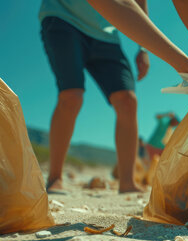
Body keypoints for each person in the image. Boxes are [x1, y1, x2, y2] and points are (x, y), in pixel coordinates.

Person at [40, 0, 150, 193]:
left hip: (106, 33)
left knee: (128, 100)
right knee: (71, 97)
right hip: (63, 17)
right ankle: (55, 177)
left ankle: (127, 181)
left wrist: (144, 47)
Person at [86, 0, 188, 110]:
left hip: (102, 31)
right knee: (72, 95)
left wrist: (186, 65)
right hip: (64, 19)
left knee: (127, 101)